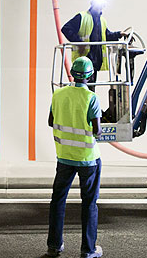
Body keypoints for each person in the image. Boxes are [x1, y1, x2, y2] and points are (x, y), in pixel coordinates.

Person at [45, 56, 104, 258]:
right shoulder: (91, 98)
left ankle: (54, 245)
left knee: (58, 200)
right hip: (88, 159)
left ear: (73, 74)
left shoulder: (59, 94)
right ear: (90, 75)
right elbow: (97, 131)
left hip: (64, 157)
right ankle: (88, 250)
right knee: (89, 203)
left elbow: (51, 121)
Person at [61, 0, 126, 88]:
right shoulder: (82, 17)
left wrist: (119, 34)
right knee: (82, 89)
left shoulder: (102, 21)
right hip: (84, 61)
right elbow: (66, 29)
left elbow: (106, 35)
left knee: (90, 89)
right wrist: (79, 43)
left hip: (95, 61)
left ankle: (88, 103)